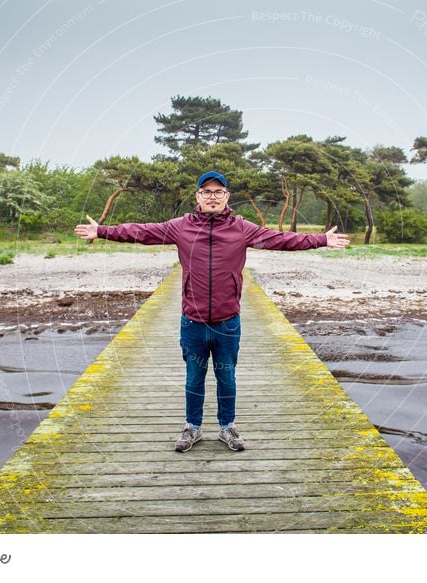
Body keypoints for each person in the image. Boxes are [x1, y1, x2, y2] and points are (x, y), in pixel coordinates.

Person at [74, 171, 350, 452]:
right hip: (192, 321)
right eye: (206, 192)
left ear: (227, 197)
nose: (212, 196)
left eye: (218, 192)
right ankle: (192, 427)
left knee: (226, 376)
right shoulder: (181, 226)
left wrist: (321, 239)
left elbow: (280, 239)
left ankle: (226, 427)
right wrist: (102, 231)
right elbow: (141, 232)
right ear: (198, 197)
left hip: (227, 322)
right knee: (194, 377)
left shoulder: (241, 228)